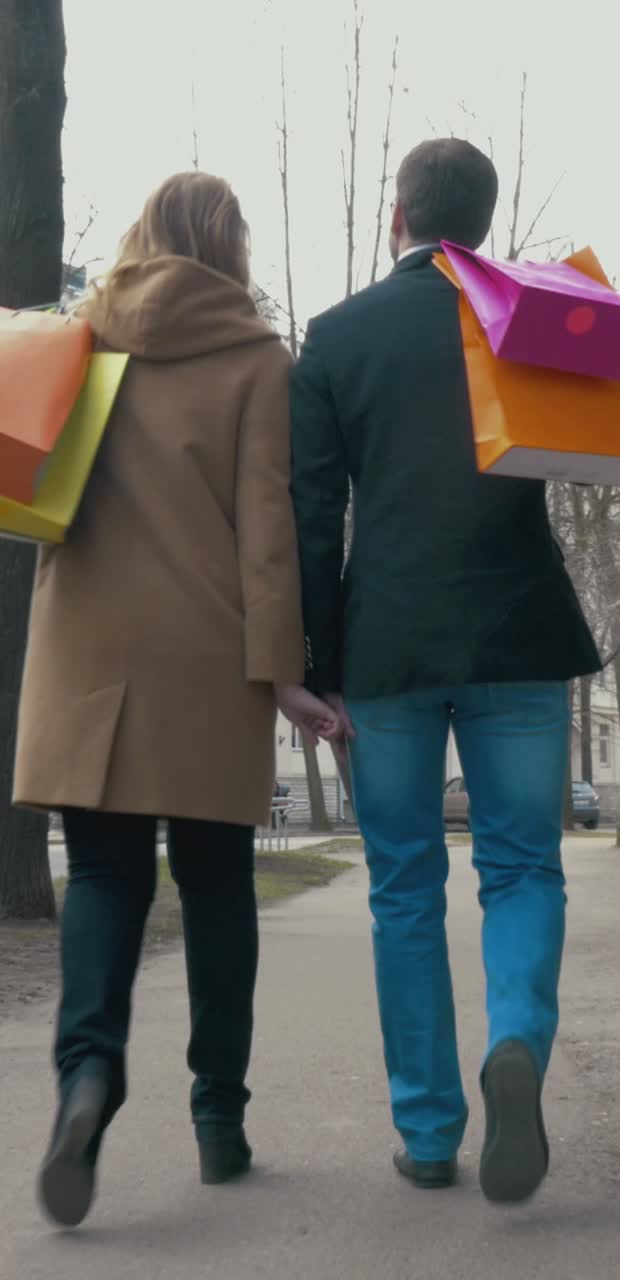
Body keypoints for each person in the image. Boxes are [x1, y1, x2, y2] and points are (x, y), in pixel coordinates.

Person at [13, 172, 336, 1228]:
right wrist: (286, 673)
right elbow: (268, 533)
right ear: (228, 244)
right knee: (214, 888)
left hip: (86, 656)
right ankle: (219, 1121)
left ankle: (85, 1079)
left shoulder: (77, 333)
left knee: (104, 876)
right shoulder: (256, 360)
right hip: (206, 657)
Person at [288, 139, 601, 1202]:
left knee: (405, 890)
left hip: (390, 646)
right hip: (521, 633)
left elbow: (312, 511)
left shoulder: (336, 337)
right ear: (486, 216)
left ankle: (428, 1129)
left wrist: (317, 665)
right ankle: (515, 1037)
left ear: (398, 215)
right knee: (521, 868)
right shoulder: (535, 315)